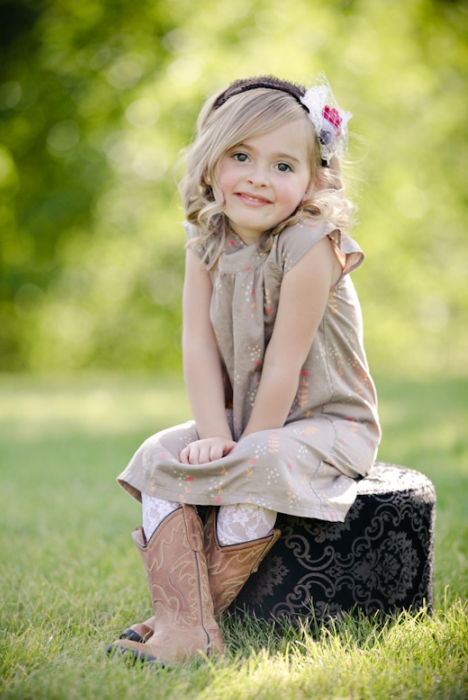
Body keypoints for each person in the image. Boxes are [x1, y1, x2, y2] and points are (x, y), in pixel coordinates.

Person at [108, 74, 381, 665]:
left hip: (326, 421)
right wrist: (211, 434)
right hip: (240, 417)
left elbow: (285, 360)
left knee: (256, 462)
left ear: (314, 179)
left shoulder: (311, 243)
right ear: (211, 164)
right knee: (161, 453)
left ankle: (178, 624)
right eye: (241, 156)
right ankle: (188, 627)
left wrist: (241, 447)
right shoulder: (205, 239)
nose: (259, 176)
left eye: (284, 166)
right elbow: (198, 344)